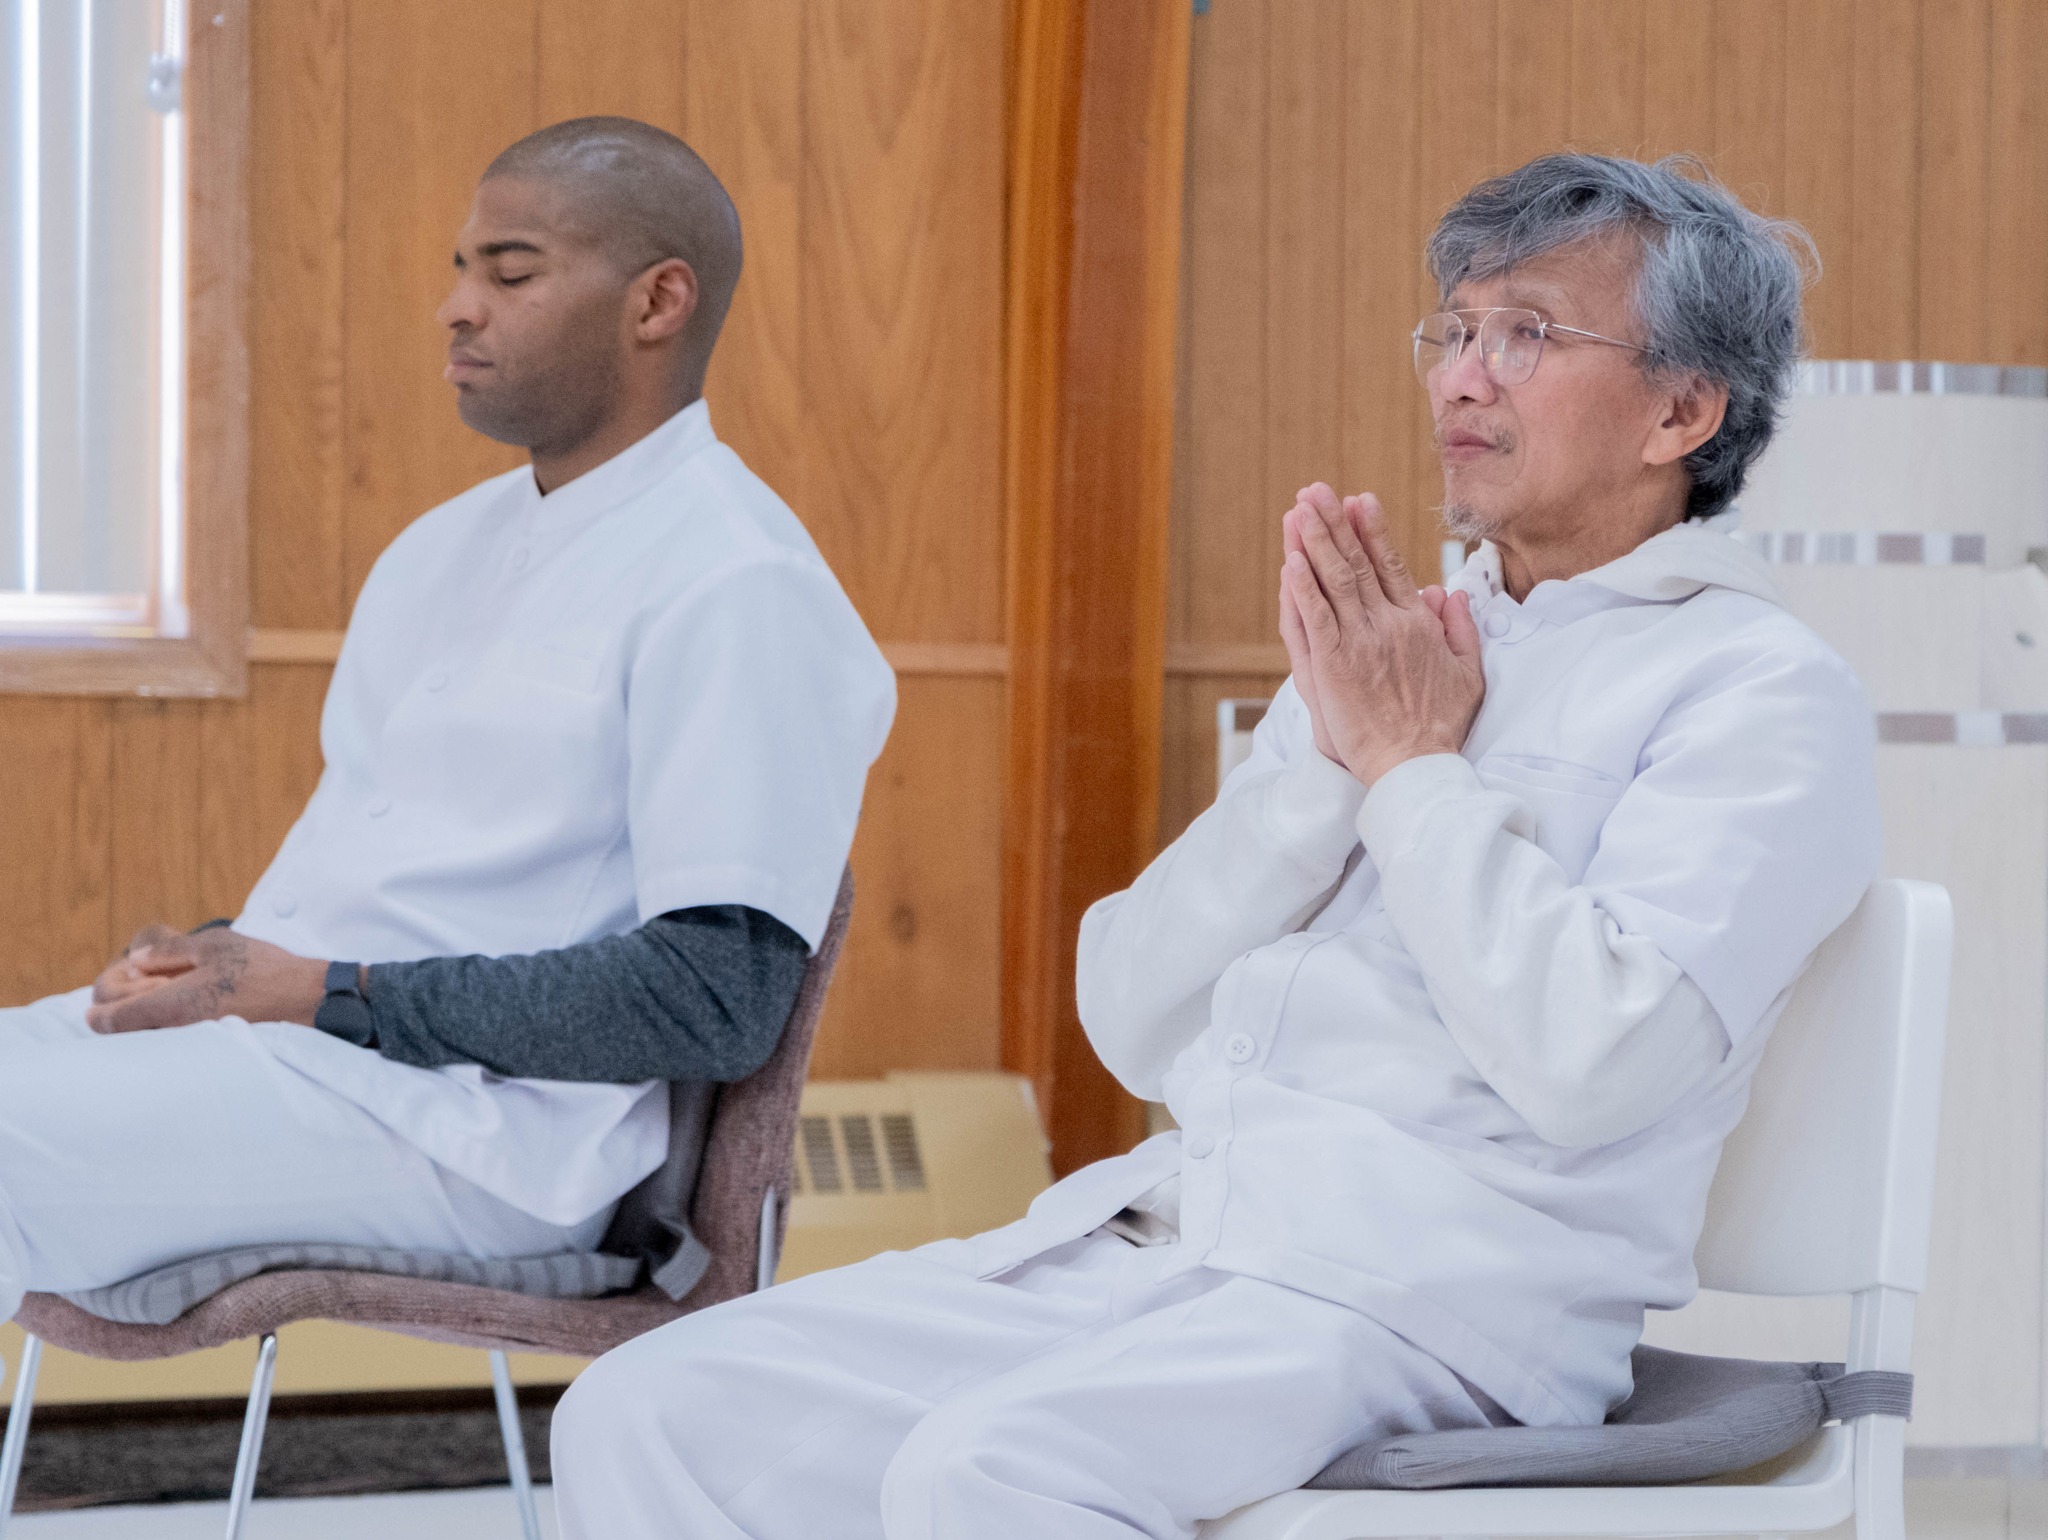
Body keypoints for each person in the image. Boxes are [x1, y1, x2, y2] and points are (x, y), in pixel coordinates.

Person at [549, 153, 1881, 1540]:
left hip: (1436, 1305)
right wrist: (1325, 769)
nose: (1461, 380)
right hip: (1176, 1241)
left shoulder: (1760, 691)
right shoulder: (1397, 652)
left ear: (1684, 408)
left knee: (983, 1475)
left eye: (1528, 335)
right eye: (1455, 331)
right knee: (651, 1411)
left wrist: (1411, 772)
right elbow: (1129, 1016)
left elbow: (1596, 1063)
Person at [0, 118, 893, 1317]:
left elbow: (711, 1000)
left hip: (492, 1134)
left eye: (509, 272)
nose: (457, 307)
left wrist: (313, 990)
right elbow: (391, 886)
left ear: (657, 302)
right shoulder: (438, 550)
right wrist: (217, 956)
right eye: (460, 269)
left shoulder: (737, 581)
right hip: (310, 1060)